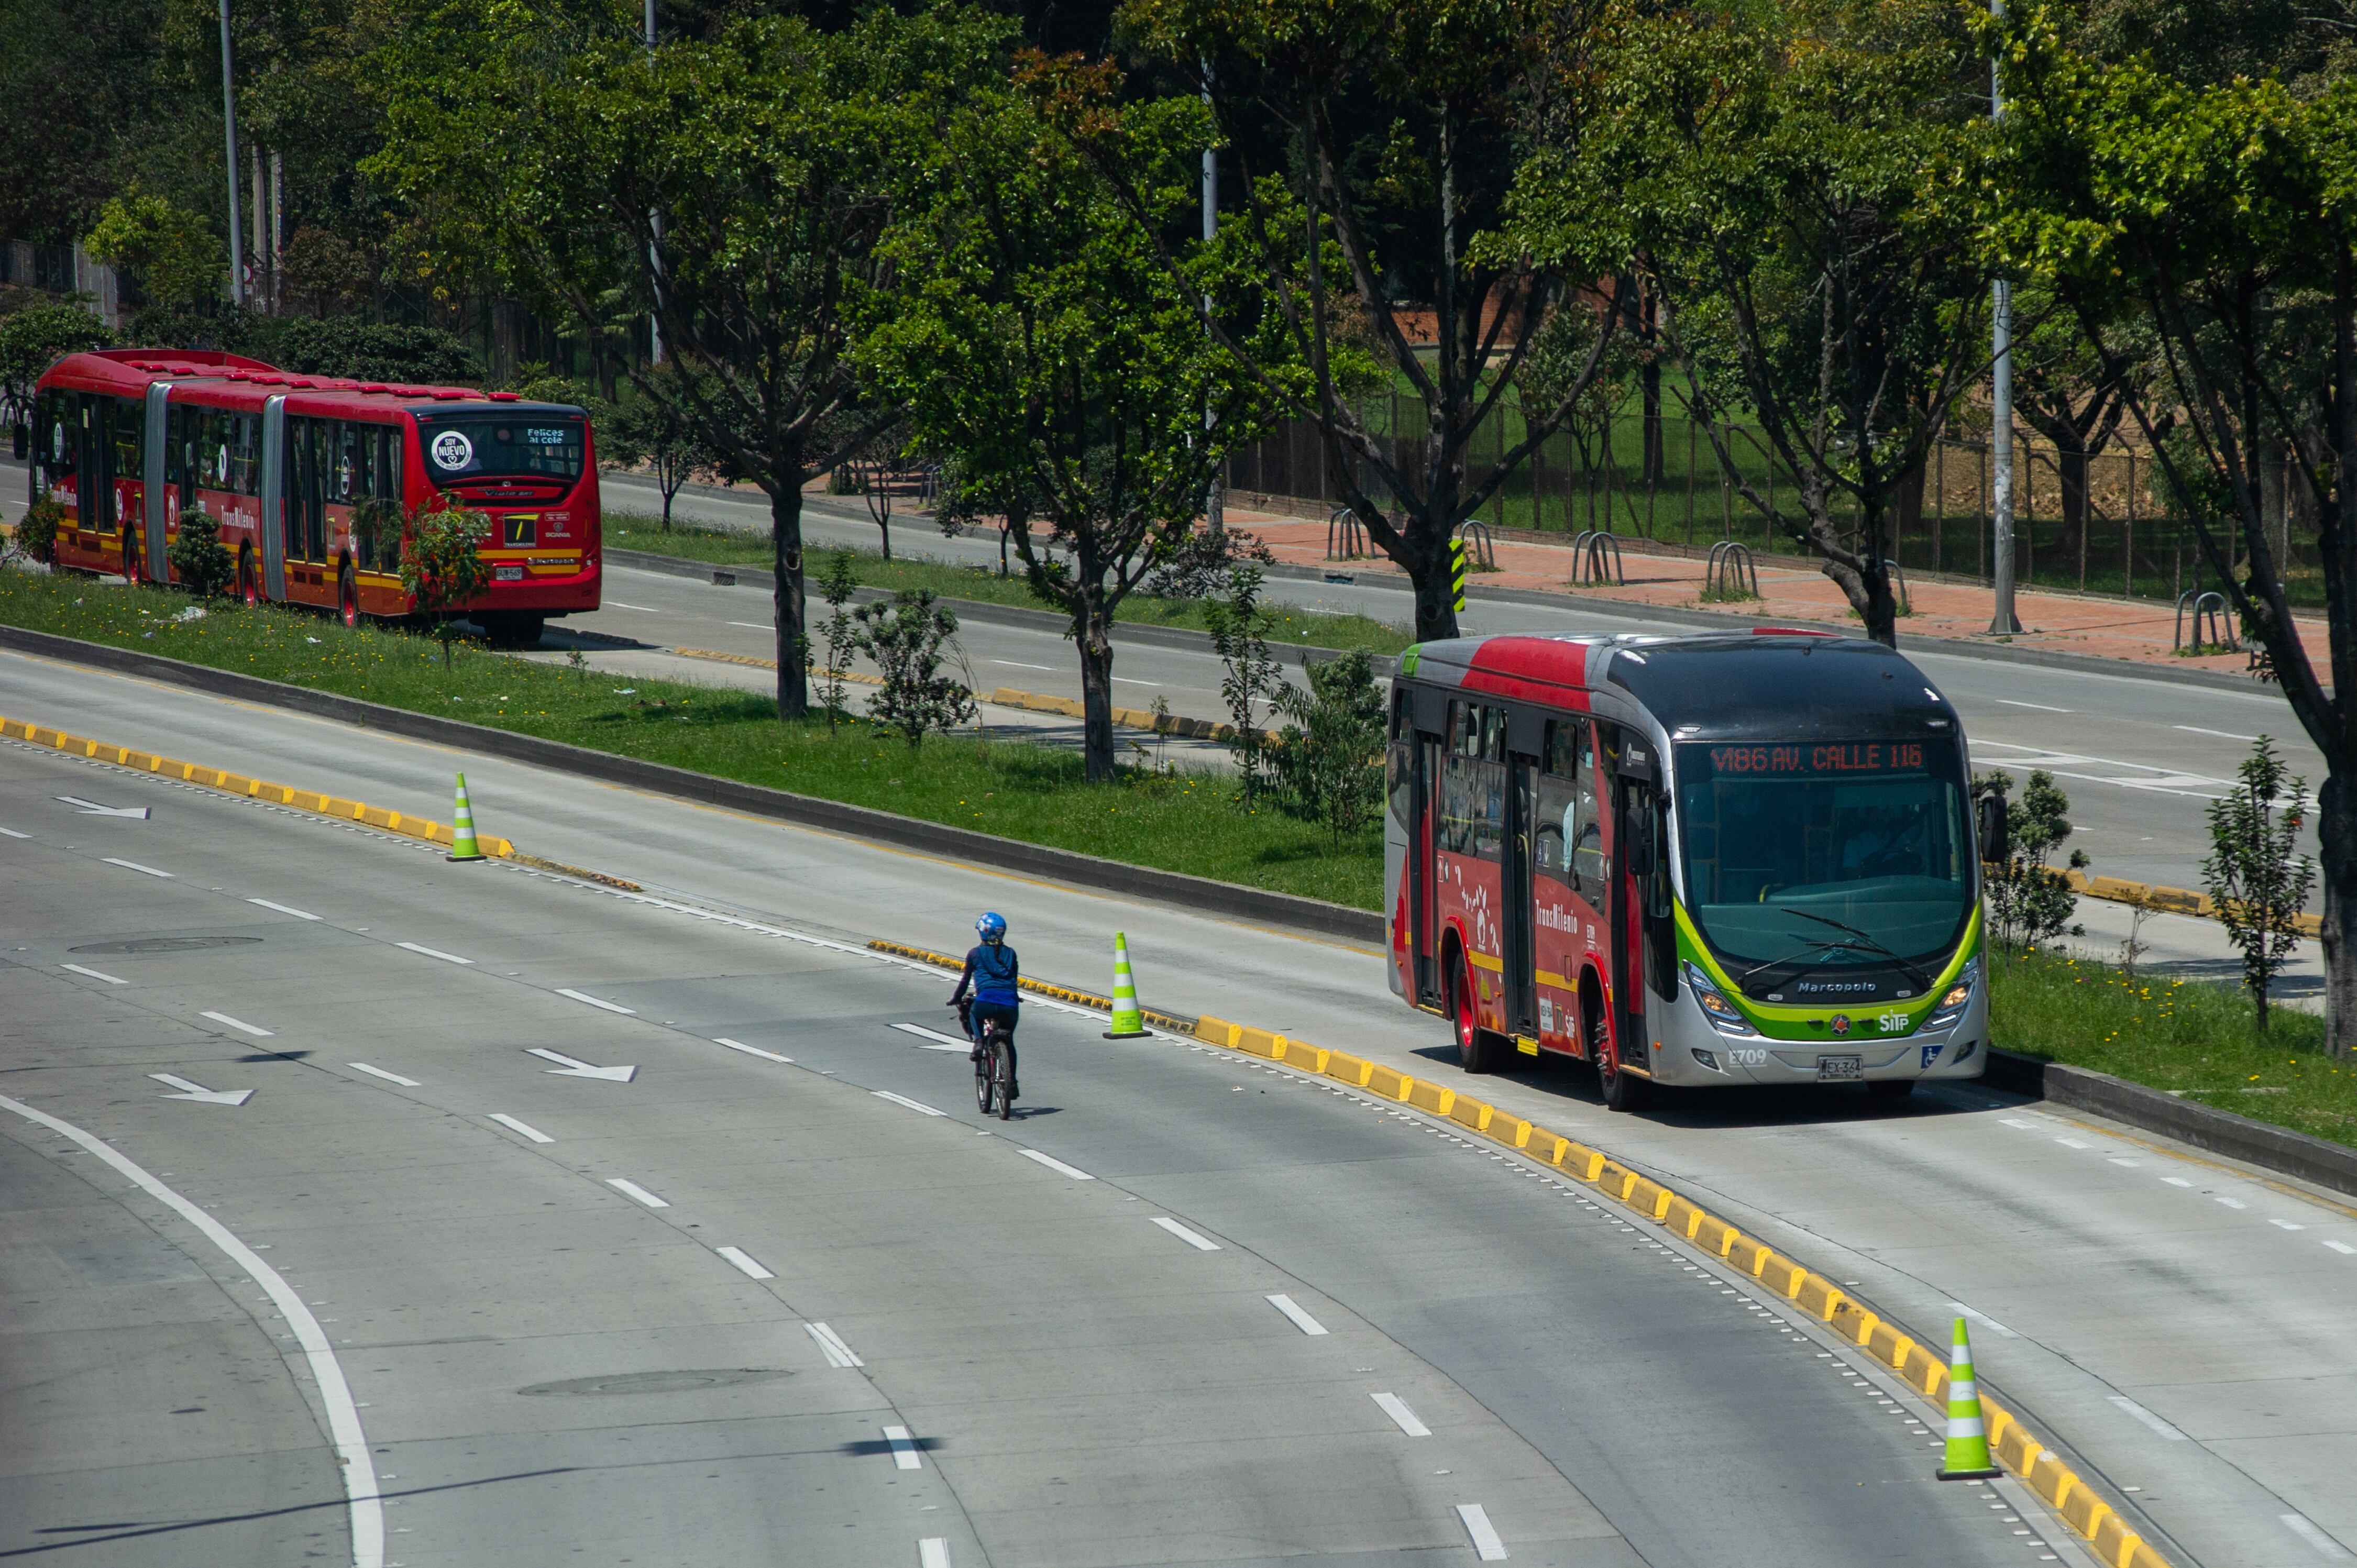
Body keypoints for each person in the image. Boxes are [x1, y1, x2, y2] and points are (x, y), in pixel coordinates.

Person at [950, 911, 1020, 1099]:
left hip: (985, 1002)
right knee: (1009, 1041)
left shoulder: (974, 953)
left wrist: (956, 999)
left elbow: (965, 981)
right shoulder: (1011, 953)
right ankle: (1011, 1083)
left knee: (974, 1013)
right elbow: (1014, 979)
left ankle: (979, 1042)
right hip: (1010, 1004)